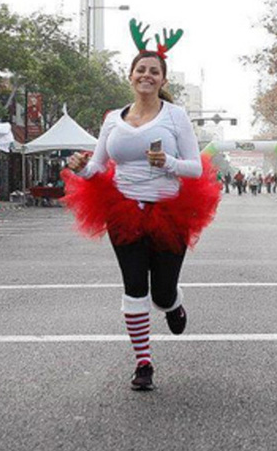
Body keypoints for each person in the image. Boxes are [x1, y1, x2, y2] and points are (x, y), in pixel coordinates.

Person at [62, 28, 220, 391]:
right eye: (141, 70)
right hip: (123, 210)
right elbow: (98, 166)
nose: (146, 76)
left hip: (169, 210)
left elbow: (195, 168)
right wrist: (79, 166)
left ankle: (174, 304)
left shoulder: (176, 116)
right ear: (130, 76)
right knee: (134, 287)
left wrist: (167, 163)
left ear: (163, 80)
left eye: (154, 71)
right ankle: (143, 363)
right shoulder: (112, 119)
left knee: (161, 293)